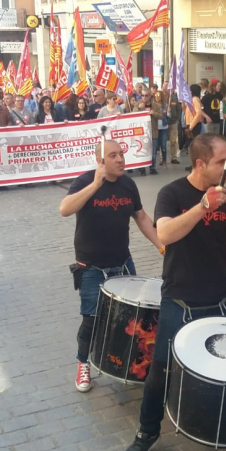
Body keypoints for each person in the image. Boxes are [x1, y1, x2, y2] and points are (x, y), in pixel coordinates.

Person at [119, 133, 226, 451]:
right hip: (179, 301)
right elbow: (164, 234)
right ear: (200, 164)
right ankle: (146, 434)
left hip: (221, 299)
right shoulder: (172, 193)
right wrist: (202, 207)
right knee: (161, 371)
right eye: (222, 162)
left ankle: (223, 420)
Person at [58, 140, 162, 392]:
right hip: (92, 266)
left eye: (121, 154)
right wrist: (95, 184)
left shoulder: (128, 184)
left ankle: (130, 363)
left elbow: (141, 217)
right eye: (112, 156)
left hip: (122, 262)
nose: (120, 160)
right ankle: (83, 363)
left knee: (134, 319)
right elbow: (64, 208)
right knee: (92, 319)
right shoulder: (84, 181)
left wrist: (162, 245)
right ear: (100, 161)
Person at [183, 84, 206, 171]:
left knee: (194, 145)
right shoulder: (191, 100)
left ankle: (195, 164)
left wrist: (191, 126)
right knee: (191, 145)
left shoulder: (195, 99)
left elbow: (198, 113)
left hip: (194, 125)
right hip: (190, 124)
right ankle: (193, 163)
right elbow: (186, 111)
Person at [151, 91, 166, 173]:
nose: (157, 97)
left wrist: (154, 113)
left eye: (158, 95)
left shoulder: (164, 105)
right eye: (156, 95)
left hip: (163, 127)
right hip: (154, 129)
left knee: (163, 145)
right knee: (155, 147)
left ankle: (164, 161)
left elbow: (162, 116)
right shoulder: (152, 105)